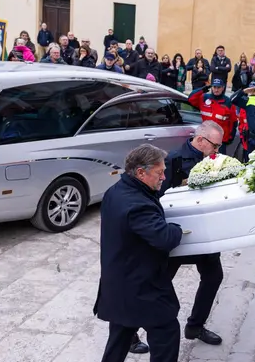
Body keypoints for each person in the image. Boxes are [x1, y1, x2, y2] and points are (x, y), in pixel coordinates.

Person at [128, 122, 227, 353]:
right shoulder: (173, 160)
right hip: (173, 234)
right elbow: (155, 197)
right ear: (201, 140)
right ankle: (129, 332)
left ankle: (195, 326)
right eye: (215, 145)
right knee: (156, 285)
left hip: (203, 233)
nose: (217, 151)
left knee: (214, 276)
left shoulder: (216, 160)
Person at [95, 144, 183, 362]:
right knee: (166, 330)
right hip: (141, 287)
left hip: (118, 283)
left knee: (121, 335)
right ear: (141, 172)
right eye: (160, 172)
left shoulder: (116, 191)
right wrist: (177, 229)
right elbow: (164, 238)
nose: (164, 177)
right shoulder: (137, 205)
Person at [187, 78, 237, 154]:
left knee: (219, 164)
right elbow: (191, 98)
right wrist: (203, 89)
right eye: (214, 87)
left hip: (220, 141)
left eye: (219, 87)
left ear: (223, 88)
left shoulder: (228, 102)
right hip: (205, 139)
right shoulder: (204, 98)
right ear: (211, 87)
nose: (216, 90)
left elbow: (233, 121)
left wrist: (230, 138)